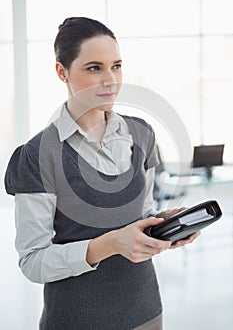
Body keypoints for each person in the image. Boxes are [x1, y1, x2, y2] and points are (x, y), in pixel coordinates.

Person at [4, 17, 200, 330]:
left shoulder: (142, 135)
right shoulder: (37, 155)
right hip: (77, 319)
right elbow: (33, 261)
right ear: (62, 72)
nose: (110, 80)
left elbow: (141, 214)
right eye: (94, 68)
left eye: (117, 66)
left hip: (146, 312)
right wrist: (109, 245)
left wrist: (165, 223)